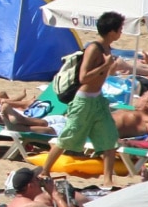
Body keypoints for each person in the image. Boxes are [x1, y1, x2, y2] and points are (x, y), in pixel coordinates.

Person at [39, 12, 123, 181]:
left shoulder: (108, 49)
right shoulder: (94, 48)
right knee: (68, 136)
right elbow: (83, 77)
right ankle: (45, 170)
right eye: (120, 29)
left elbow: (102, 74)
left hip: (98, 99)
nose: (121, 32)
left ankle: (108, 179)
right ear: (112, 32)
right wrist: (105, 65)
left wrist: (111, 68)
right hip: (83, 100)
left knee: (110, 137)